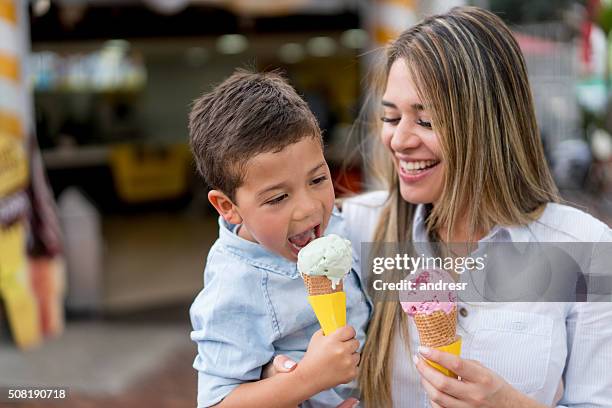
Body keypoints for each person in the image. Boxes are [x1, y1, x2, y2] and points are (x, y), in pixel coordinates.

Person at [271, 6, 612, 408]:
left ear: (491, 123)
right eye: (391, 117)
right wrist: (281, 379)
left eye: (426, 121)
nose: (399, 140)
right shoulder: (350, 231)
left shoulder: (587, 246)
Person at [188, 69, 370, 408]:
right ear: (228, 207)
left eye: (317, 179)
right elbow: (218, 402)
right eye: (277, 198)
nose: (308, 208)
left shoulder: (341, 226)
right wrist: (307, 379)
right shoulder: (234, 286)